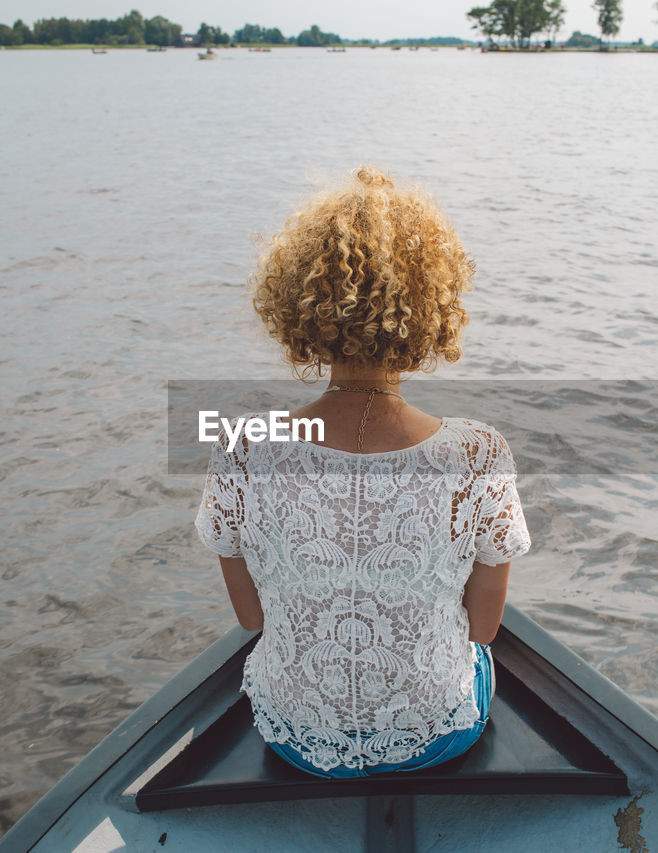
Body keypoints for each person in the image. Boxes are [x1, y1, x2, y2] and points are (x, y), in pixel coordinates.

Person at [194, 166, 530, 778]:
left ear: (300, 310)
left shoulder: (243, 446)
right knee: (475, 658)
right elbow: (483, 628)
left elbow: (252, 619)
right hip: (434, 735)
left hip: (293, 734)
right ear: (433, 311)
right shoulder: (479, 453)